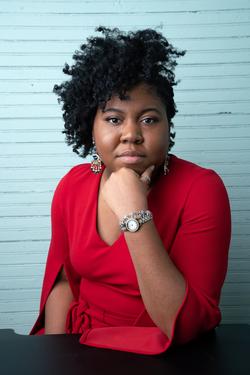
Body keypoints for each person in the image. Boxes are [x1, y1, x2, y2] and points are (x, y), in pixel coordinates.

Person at [30, 27, 231, 355]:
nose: (131, 134)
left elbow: (183, 325)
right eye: (113, 119)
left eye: (149, 120)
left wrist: (133, 214)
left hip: (162, 352)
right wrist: (57, 355)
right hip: (79, 346)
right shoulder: (73, 185)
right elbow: (65, 284)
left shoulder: (201, 189)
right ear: (89, 125)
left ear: (169, 126)